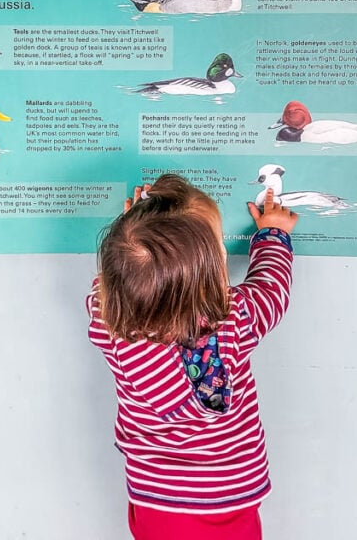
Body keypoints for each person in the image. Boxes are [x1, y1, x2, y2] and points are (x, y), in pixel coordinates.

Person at [86, 174, 298, 539]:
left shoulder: (109, 321)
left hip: (156, 497)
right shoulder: (235, 318)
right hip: (229, 493)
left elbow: (111, 283)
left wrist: (135, 241)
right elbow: (271, 289)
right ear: (211, 273)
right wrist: (273, 234)